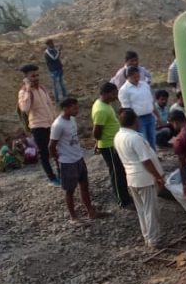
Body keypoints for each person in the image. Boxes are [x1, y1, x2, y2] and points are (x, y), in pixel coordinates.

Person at [115, 108, 166, 249]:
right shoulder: (135, 138)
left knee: (142, 210)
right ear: (135, 121)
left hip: (131, 178)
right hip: (144, 178)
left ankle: (147, 237)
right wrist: (158, 177)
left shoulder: (118, 136)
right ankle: (154, 239)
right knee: (150, 209)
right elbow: (146, 161)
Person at [49, 98, 99, 222]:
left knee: (84, 186)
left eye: (77, 107)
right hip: (67, 162)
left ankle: (90, 211)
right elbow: (51, 146)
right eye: (74, 108)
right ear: (66, 108)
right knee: (69, 191)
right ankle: (73, 217)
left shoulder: (72, 120)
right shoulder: (58, 125)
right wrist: (57, 159)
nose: (77, 110)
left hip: (79, 158)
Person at [17, 64, 60, 186]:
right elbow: (25, 108)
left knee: (56, 150)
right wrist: (27, 88)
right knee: (44, 154)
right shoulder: (23, 92)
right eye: (32, 76)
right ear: (26, 78)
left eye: (37, 75)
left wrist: (55, 121)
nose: (36, 78)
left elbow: (50, 106)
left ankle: (61, 173)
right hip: (38, 127)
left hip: (50, 125)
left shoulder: (42, 89)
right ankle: (52, 178)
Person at [92, 82, 132, 210]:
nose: (116, 96)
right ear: (105, 94)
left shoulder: (105, 105)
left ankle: (125, 195)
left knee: (120, 171)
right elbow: (96, 132)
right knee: (116, 173)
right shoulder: (101, 110)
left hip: (113, 144)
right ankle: (122, 200)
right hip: (109, 146)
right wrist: (98, 143)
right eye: (113, 94)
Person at [119, 66, 160, 148]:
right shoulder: (124, 90)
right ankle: (146, 159)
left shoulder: (144, 85)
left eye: (138, 76)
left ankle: (154, 157)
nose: (137, 79)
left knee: (152, 140)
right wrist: (134, 122)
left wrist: (158, 117)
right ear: (128, 77)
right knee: (143, 142)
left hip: (150, 116)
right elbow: (127, 109)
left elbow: (151, 101)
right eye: (135, 77)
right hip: (138, 119)